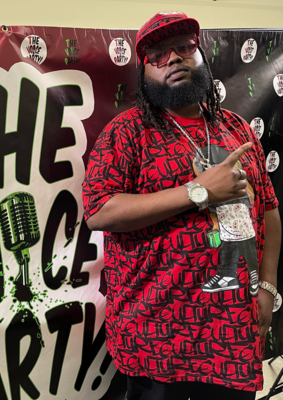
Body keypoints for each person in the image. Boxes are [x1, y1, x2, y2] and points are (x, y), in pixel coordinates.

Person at [82, 11, 281, 400]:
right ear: (144, 72)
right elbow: (99, 211)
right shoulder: (127, 133)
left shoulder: (237, 128)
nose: (173, 58)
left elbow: (269, 209)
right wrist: (198, 191)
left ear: (201, 55)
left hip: (232, 334)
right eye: (157, 55)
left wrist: (268, 286)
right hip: (156, 337)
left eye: (183, 47)